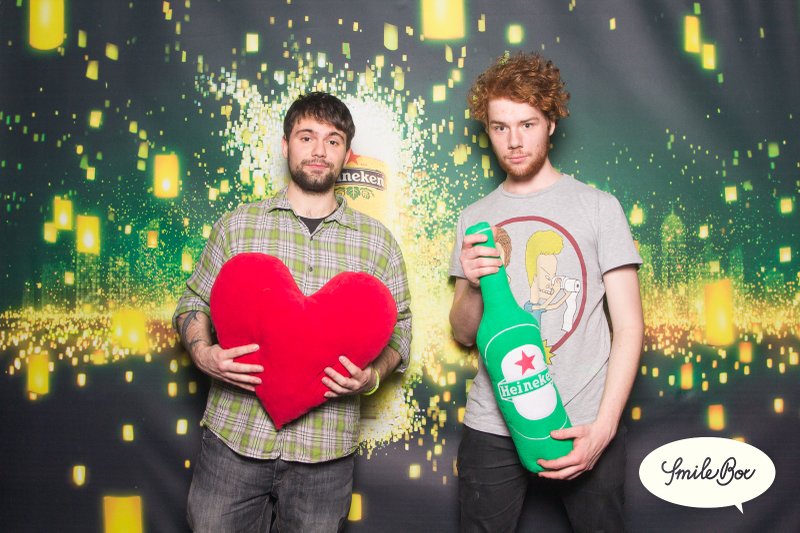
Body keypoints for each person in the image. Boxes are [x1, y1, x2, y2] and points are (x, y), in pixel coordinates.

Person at [174, 91, 412, 532]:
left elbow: (401, 331)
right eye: (307, 137)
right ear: (286, 146)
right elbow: (193, 303)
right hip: (234, 439)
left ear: (347, 153)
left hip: (325, 453)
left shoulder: (378, 242)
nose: (319, 150)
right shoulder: (238, 225)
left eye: (333, 140)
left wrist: (372, 377)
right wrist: (203, 353)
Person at [449, 52, 644, 532]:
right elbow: (464, 334)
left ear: (551, 123)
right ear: (487, 129)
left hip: (585, 419)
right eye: (500, 127)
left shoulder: (599, 207)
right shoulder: (474, 218)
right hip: (493, 422)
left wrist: (604, 428)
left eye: (527, 124)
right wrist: (471, 286)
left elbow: (630, 327)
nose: (514, 141)